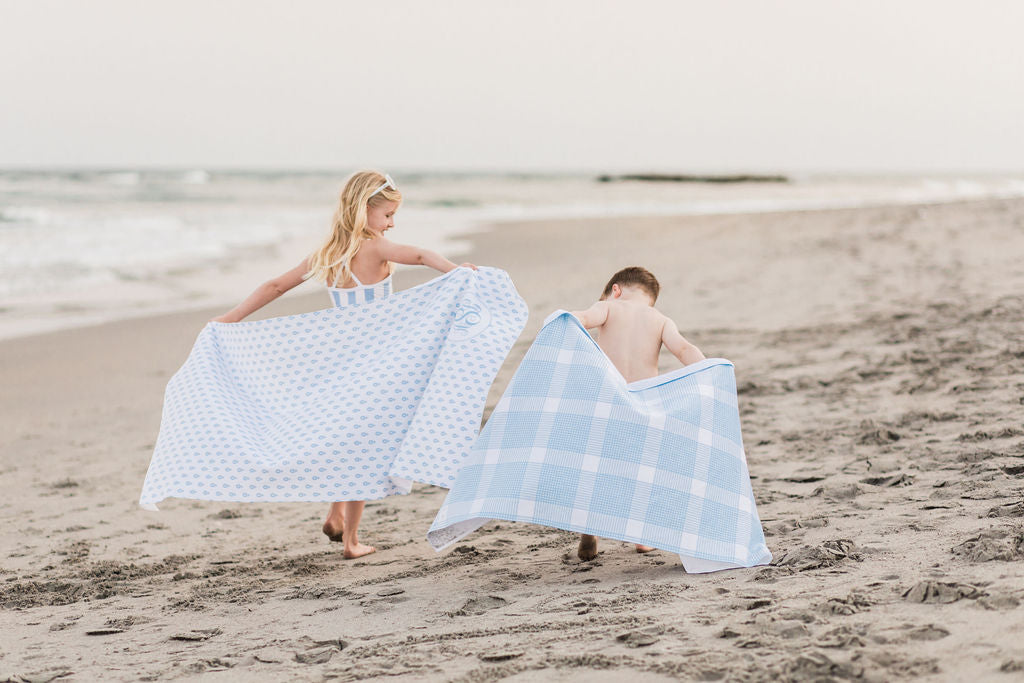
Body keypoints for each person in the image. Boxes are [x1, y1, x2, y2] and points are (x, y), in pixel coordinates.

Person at [211, 170, 475, 559]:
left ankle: (335, 514)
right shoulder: (375, 247)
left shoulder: (328, 254)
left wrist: (229, 319)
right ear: (364, 209)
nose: (391, 223)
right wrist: (456, 270)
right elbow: (420, 255)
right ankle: (351, 541)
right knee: (364, 449)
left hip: (337, 362)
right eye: (387, 214)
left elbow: (275, 286)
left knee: (345, 439)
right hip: (376, 365)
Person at [569, 266, 705, 561]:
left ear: (615, 290)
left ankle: (589, 529)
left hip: (608, 403)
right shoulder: (660, 320)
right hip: (644, 406)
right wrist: (706, 370)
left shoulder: (607, 307)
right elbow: (684, 349)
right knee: (644, 471)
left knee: (596, 468)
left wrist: (567, 320)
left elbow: (584, 318)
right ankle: (644, 538)